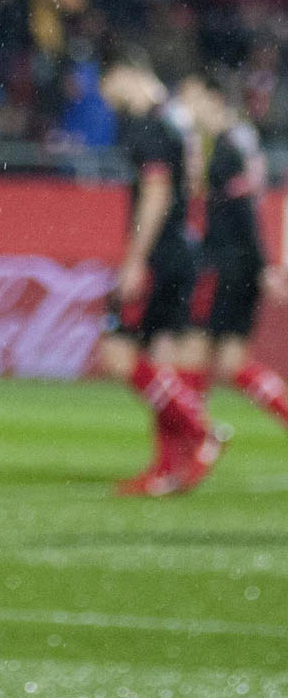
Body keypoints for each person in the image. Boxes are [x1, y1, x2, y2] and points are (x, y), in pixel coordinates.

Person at [97, 52, 226, 496]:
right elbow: (194, 182)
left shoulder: (150, 125)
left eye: (107, 84)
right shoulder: (177, 122)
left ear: (126, 74)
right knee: (162, 361)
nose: (107, 97)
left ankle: (201, 429)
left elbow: (156, 193)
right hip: (182, 250)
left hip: (159, 254)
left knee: (118, 354)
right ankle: (167, 469)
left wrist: (135, 259)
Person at [179, 74, 288, 430]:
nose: (186, 107)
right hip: (239, 263)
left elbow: (244, 212)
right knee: (230, 363)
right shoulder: (235, 142)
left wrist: (261, 264)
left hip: (227, 265)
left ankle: (193, 438)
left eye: (191, 98)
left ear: (213, 99)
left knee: (193, 352)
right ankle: (198, 435)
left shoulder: (226, 149)